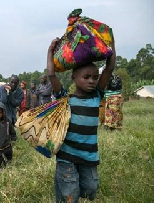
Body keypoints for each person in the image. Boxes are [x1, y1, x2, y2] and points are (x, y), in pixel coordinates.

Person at [47, 36, 116, 203]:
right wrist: (50, 51)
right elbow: (51, 74)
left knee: (91, 188)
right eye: (86, 77)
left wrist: (111, 46)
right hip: (67, 156)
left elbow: (109, 69)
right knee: (71, 195)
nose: (92, 81)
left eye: (94, 77)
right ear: (74, 78)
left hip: (89, 156)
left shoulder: (97, 95)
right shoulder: (65, 98)